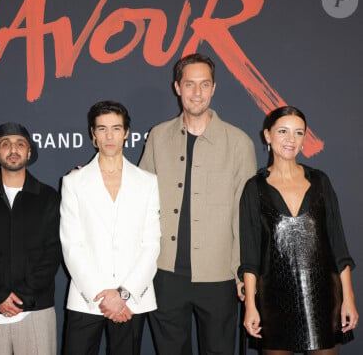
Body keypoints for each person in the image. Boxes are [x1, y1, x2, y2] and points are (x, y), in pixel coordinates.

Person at [139, 53, 257, 355]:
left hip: (218, 276)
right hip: (165, 273)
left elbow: (244, 217)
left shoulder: (239, 143)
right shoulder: (158, 136)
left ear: (214, 88)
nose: (197, 92)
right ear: (177, 87)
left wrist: (242, 271)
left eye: (204, 84)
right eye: (189, 84)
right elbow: (139, 197)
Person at [239, 106, 359, 354]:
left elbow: (338, 246)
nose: (290, 139)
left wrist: (349, 298)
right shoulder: (254, 188)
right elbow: (250, 256)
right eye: (283, 131)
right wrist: (251, 304)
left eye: (298, 133)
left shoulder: (320, 182)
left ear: (304, 139)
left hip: (323, 298)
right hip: (273, 299)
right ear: (267, 136)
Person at [60, 101, 161, 355]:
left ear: (126, 133)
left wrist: (123, 295)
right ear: (93, 134)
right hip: (87, 298)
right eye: (102, 129)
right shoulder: (73, 182)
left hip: (131, 299)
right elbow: (72, 244)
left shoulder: (147, 183)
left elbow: (151, 245)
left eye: (116, 128)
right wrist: (103, 295)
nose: (109, 136)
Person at [0, 122, 61, 354]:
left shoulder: (48, 197)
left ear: (29, 151)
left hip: (36, 311)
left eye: (20, 144)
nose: (13, 149)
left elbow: (53, 252)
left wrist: (24, 297)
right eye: (5, 144)